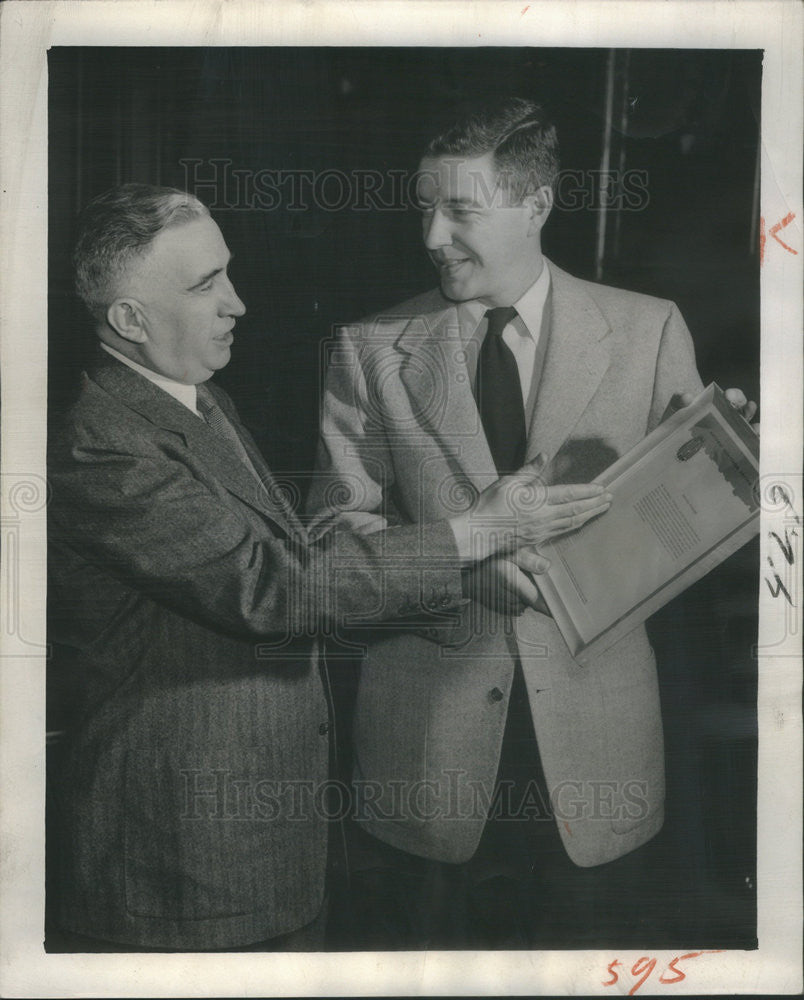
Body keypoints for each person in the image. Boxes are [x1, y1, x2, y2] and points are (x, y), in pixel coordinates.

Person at [46, 182, 609, 952]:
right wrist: (472, 533)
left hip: (253, 849)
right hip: (179, 862)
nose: (237, 303)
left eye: (229, 273)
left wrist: (474, 573)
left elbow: (302, 567)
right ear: (129, 319)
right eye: (206, 284)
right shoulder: (99, 443)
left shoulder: (193, 401)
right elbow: (271, 588)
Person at [306, 98, 757, 948]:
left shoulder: (648, 327)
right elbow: (332, 542)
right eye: (424, 207)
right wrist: (459, 567)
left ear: (536, 206)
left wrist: (737, 462)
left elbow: (695, 525)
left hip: (600, 755)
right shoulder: (370, 348)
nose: (432, 235)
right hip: (425, 760)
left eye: (460, 211)